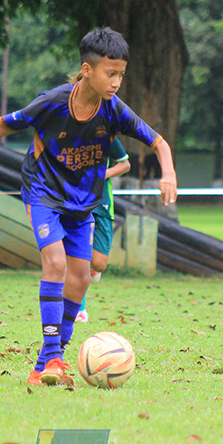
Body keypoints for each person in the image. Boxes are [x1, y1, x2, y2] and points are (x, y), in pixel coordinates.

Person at [0, 27, 177, 387]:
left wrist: (168, 174)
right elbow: (5, 125)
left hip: (82, 202)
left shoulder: (114, 110)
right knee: (56, 263)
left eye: (121, 74)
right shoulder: (53, 102)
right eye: (111, 73)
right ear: (87, 69)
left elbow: (159, 143)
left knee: (81, 278)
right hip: (43, 193)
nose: (117, 82)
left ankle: (47, 361)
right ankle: (54, 357)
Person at [76, 137, 131, 323]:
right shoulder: (66, 133)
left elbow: (125, 165)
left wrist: (103, 174)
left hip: (102, 204)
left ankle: (92, 269)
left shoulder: (108, 135)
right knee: (79, 257)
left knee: (98, 264)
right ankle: (79, 309)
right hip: (76, 203)